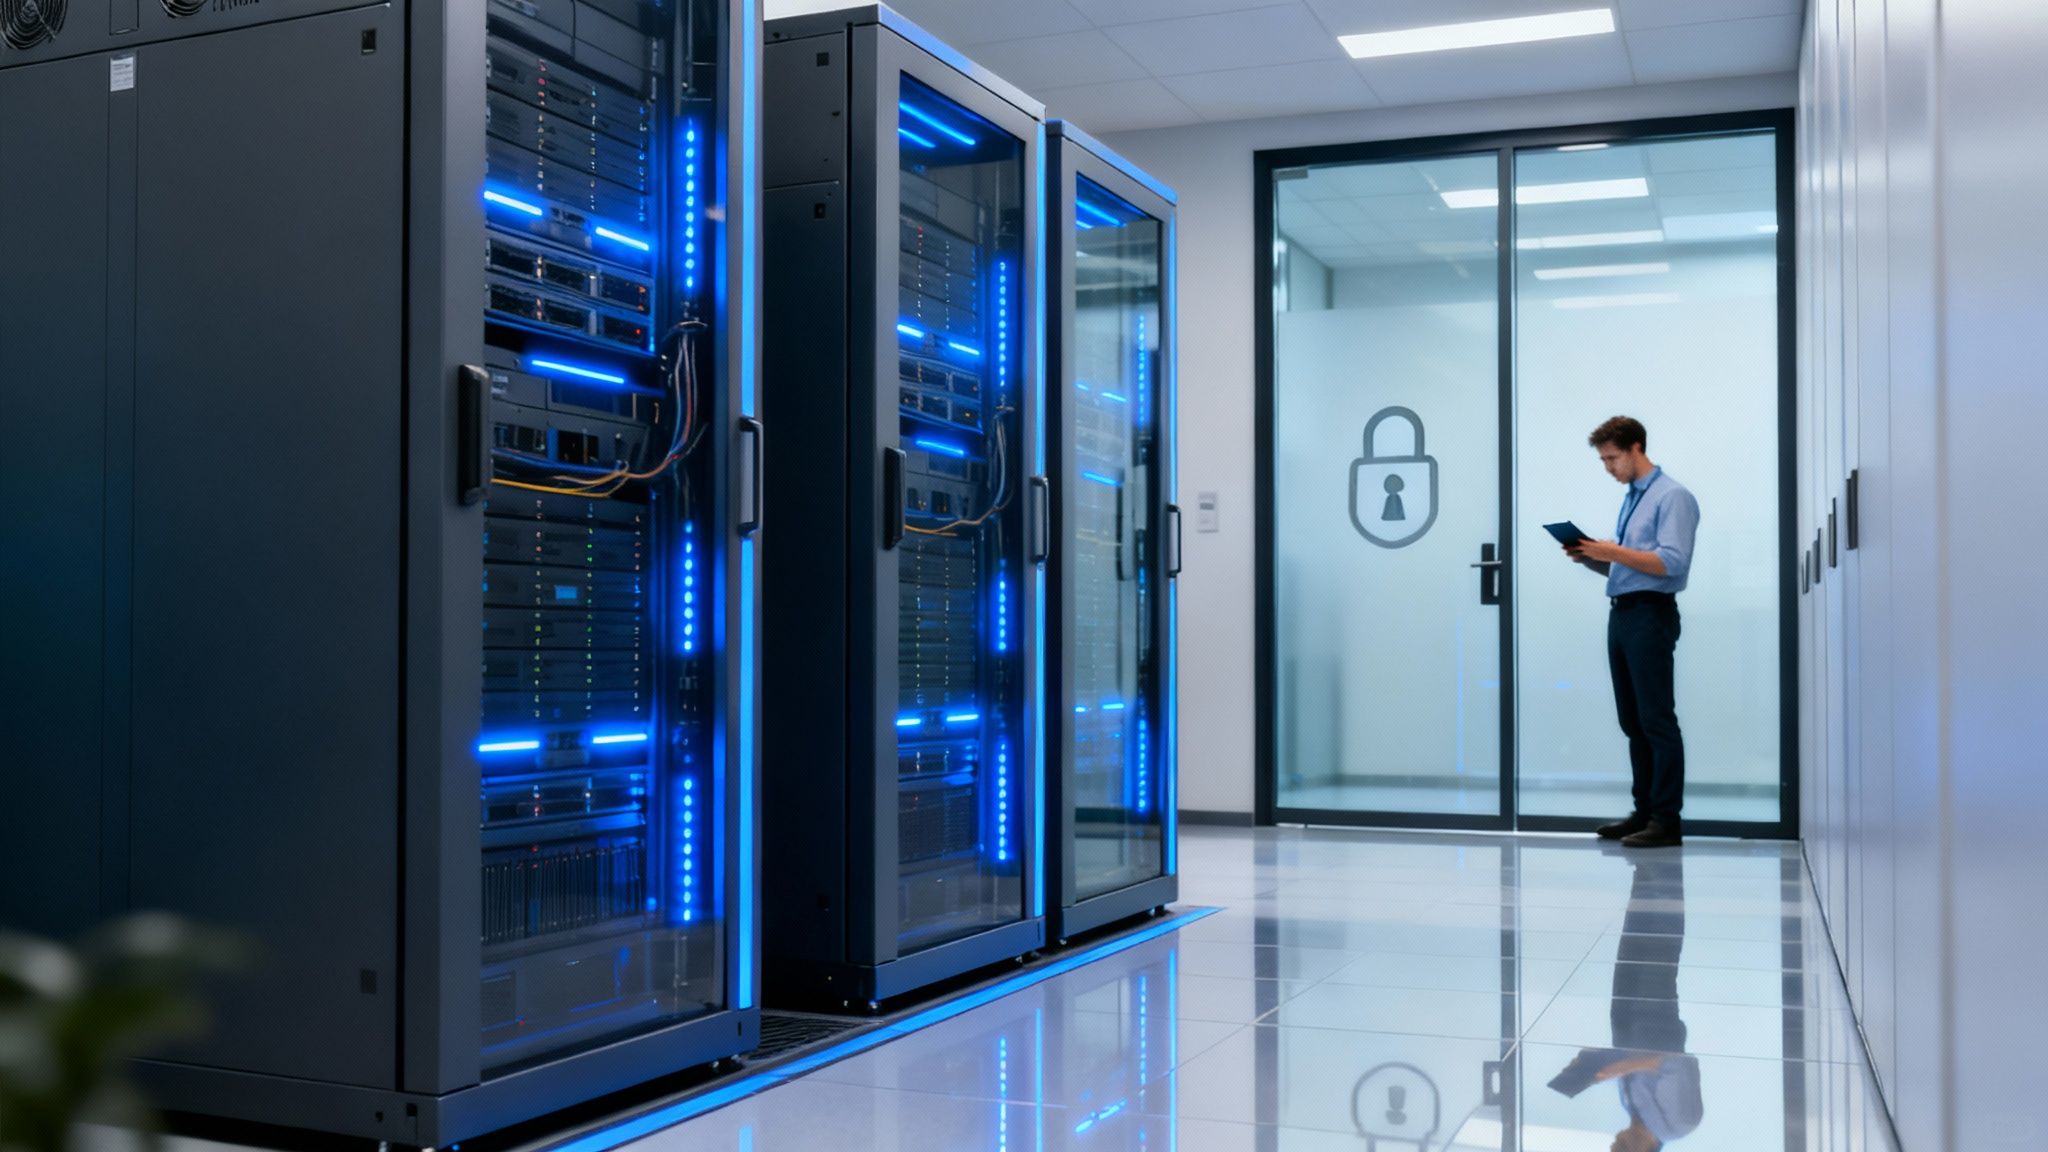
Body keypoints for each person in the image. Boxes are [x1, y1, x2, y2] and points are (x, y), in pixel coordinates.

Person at [1563, 416, 1700, 849]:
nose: (1608, 468)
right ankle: (1643, 812)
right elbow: (1631, 562)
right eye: (1603, 460)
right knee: (1632, 720)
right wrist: (1591, 557)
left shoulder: (1672, 496)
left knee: (1657, 719)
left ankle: (1665, 819)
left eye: (1612, 458)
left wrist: (1612, 551)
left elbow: (1671, 562)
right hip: (1622, 612)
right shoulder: (1632, 498)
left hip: (1650, 613)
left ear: (1636, 448)